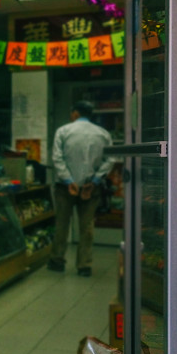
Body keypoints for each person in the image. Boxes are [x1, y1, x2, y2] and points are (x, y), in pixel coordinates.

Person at [47, 100, 115, 276]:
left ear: (75, 114)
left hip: (65, 187)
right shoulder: (103, 134)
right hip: (90, 189)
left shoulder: (63, 131)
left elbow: (57, 158)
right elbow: (110, 160)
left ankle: (57, 261)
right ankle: (84, 266)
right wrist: (94, 181)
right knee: (87, 228)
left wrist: (69, 181)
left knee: (62, 224)